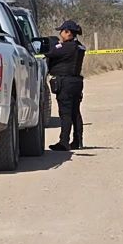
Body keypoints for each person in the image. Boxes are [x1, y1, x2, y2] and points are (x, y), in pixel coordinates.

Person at [45, 20, 86, 151]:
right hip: (76, 82)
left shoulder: (66, 47)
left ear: (68, 32)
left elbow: (50, 52)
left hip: (66, 83)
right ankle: (78, 141)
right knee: (75, 112)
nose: (60, 34)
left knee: (65, 113)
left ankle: (64, 142)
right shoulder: (79, 46)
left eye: (61, 31)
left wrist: (52, 44)